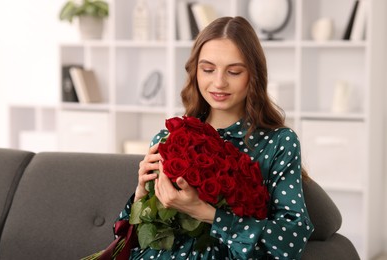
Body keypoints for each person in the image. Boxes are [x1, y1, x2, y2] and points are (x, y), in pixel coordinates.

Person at [116, 16, 314, 259]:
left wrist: (206, 213)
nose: (219, 82)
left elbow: (291, 239)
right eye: (208, 69)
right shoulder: (169, 137)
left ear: (253, 75)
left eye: (234, 71)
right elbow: (127, 239)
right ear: (195, 71)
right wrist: (141, 192)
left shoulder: (278, 143)